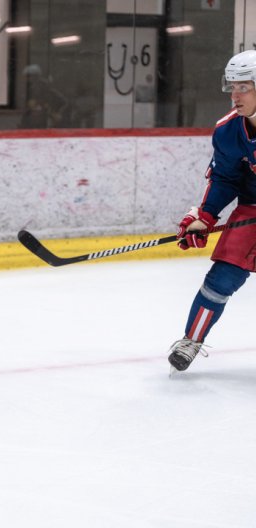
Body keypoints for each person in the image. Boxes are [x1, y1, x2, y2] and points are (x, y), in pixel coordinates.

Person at [168, 49, 256, 372]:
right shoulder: (228, 131)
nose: (235, 95)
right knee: (221, 278)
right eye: (232, 87)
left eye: (243, 87)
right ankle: (191, 340)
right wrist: (205, 217)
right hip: (252, 210)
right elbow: (225, 179)